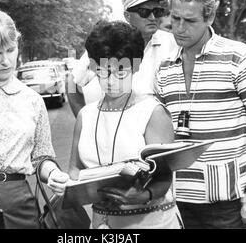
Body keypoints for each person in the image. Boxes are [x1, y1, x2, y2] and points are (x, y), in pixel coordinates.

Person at [155, 0, 246, 229]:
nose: (179, 28)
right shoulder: (164, 67)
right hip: (177, 201)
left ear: (209, 18)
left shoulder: (237, 56)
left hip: (227, 203)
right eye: (175, 18)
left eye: (190, 21)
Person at [67, 21, 182, 229]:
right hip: (102, 223)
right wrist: (67, 185)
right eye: (103, 72)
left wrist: (143, 195)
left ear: (135, 66)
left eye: (120, 73)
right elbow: (75, 168)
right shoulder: (86, 115)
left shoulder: (152, 112)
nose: (110, 81)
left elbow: (165, 177)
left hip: (151, 222)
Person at [0, 9, 69, 228]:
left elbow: (41, 157)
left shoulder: (33, 100)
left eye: (11, 50)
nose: (6, 61)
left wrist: (54, 173)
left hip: (21, 204)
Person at [67, 0, 176, 117]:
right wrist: (84, 122)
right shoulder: (107, 43)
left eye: (157, 11)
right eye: (144, 12)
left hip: (157, 129)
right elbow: (72, 83)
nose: (152, 17)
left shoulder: (173, 44)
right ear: (127, 16)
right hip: (117, 129)